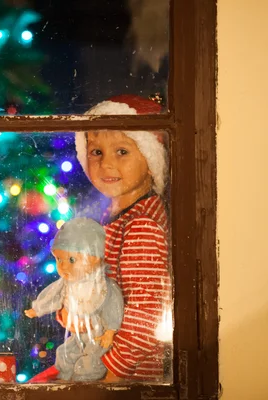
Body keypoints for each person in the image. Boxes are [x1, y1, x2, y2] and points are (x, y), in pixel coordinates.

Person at [30, 94, 172, 383]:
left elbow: (145, 316)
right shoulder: (113, 216)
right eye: (97, 152)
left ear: (150, 160)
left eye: (122, 152)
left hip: (126, 376)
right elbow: (90, 282)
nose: (107, 164)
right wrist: (71, 312)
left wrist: (109, 376)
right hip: (94, 356)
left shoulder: (142, 226)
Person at [24, 218, 123, 381]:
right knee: (65, 351)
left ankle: (85, 382)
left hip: (98, 331)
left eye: (71, 260)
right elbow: (53, 295)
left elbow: (114, 306)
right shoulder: (66, 283)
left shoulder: (103, 286)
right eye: (58, 259)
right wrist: (39, 309)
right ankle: (66, 376)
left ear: (95, 258)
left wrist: (110, 331)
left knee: (92, 357)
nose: (63, 267)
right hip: (76, 331)